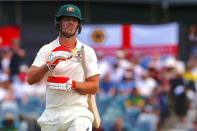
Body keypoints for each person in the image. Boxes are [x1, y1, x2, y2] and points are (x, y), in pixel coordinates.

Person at [27, 4, 100, 131]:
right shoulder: (47, 49)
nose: (70, 23)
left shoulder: (86, 51)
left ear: (78, 25)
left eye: (74, 20)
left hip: (78, 113)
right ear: (59, 23)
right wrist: (48, 65)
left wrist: (72, 84)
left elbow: (94, 87)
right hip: (52, 113)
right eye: (66, 19)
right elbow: (30, 79)